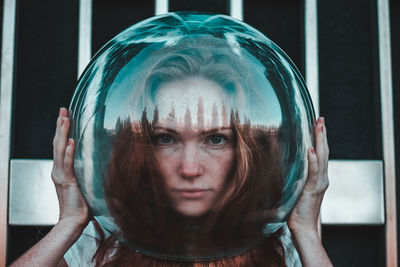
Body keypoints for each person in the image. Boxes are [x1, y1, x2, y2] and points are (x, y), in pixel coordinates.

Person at [11, 43, 332, 267]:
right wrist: (68, 225)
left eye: (216, 139)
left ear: (242, 152)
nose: (190, 167)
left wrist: (305, 231)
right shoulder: (102, 242)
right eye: (166, 139)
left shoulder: (276, 247)